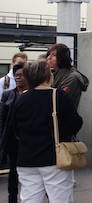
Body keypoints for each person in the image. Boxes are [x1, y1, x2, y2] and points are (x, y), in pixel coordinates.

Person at [11, 61, 82, 202]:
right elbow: (76, 123)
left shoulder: (21, 99)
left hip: (26, 159)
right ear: (47, 76)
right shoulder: (59, 96)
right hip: (55, 158)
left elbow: (16, 129)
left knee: (30, 198)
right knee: (60, 198)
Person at [0, 62, 26, 203]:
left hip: (27, 140)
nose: (18, 78)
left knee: (29, 171)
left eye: (21, 75)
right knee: (13, 170)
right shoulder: (8, 94)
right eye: (16, 75)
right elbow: (2, 119)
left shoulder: (32, 94)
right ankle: (12, 198)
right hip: (12, 139)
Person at [47, 43, 89, 108]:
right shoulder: (51, 73)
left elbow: (60, 100)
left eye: (53, 55)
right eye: (49, 54)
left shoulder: (72, 78)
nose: (49, 58)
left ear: (62, 58)